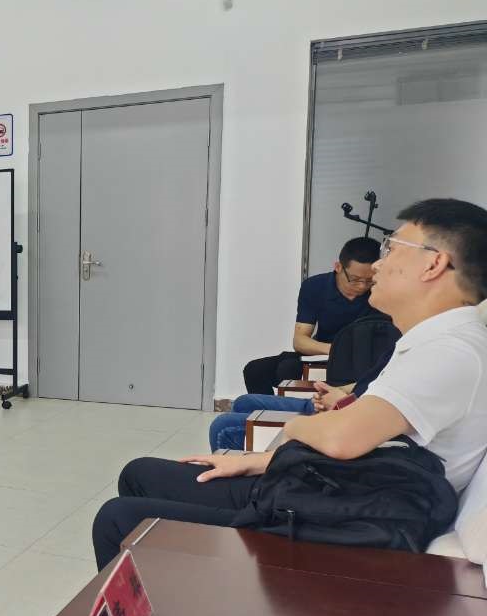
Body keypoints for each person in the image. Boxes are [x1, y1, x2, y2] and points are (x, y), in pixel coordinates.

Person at [93, 199, 487, 570]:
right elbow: (356, 439)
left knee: (119, 518)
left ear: (434, 263)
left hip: (344, 517)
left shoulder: (451, 352)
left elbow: (341, 438)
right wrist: (257, 461)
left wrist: (297, 427)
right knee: (139, 474)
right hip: (333, 489)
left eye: (392, 248)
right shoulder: (433, 341)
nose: (378, 266)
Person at [242, 237, 381, 393]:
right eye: (355, 280)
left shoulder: (383, 290)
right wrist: (335, 350)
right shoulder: (316, 286)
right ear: (338, 267)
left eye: (369, 280)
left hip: (362, 359)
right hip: (322, 353)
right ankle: (268, 408)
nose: (362, 286)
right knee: (255, 370)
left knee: (288, 369)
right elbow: (300, 341)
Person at [208, 341, 394, 451]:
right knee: (244, 402)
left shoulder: (407, 350)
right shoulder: (398, 344)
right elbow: (368, 385)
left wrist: (342, 403)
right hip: (342, 403)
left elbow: (381, 412)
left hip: (346, 416)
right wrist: (339, 392)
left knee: (222, 426)